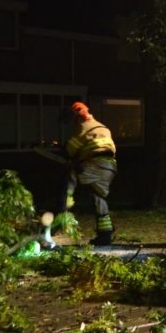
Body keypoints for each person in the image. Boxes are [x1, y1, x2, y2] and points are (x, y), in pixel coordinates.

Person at [64, 101, 118, 247]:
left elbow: (70, 150)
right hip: (110, 166)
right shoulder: (102, 127)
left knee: (71, 175)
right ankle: (105, 233)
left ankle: (65, 203)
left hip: (95, 165)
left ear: (77, 116)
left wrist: (71, 160)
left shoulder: (83, 127)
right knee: (98, 197)